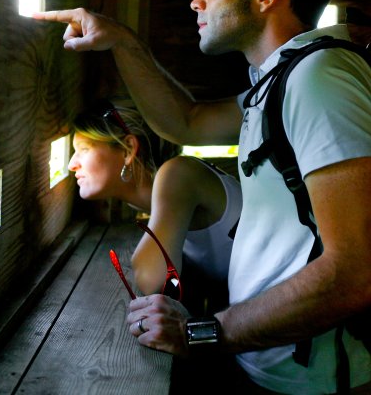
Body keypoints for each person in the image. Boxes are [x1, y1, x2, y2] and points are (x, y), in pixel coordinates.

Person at [35, 0, 371, 394]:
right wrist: (122, 42)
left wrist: (206, 332)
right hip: (273, 367)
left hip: (322, 383)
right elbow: (184, 120)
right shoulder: (280, 81)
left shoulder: (320, 81)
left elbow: (361, 273)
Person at [69, 98, 242, 314]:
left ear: (127, 150)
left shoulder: (178, 174)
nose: (71, 164)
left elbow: (154, 278)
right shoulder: (152, 202)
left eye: (83, 149)